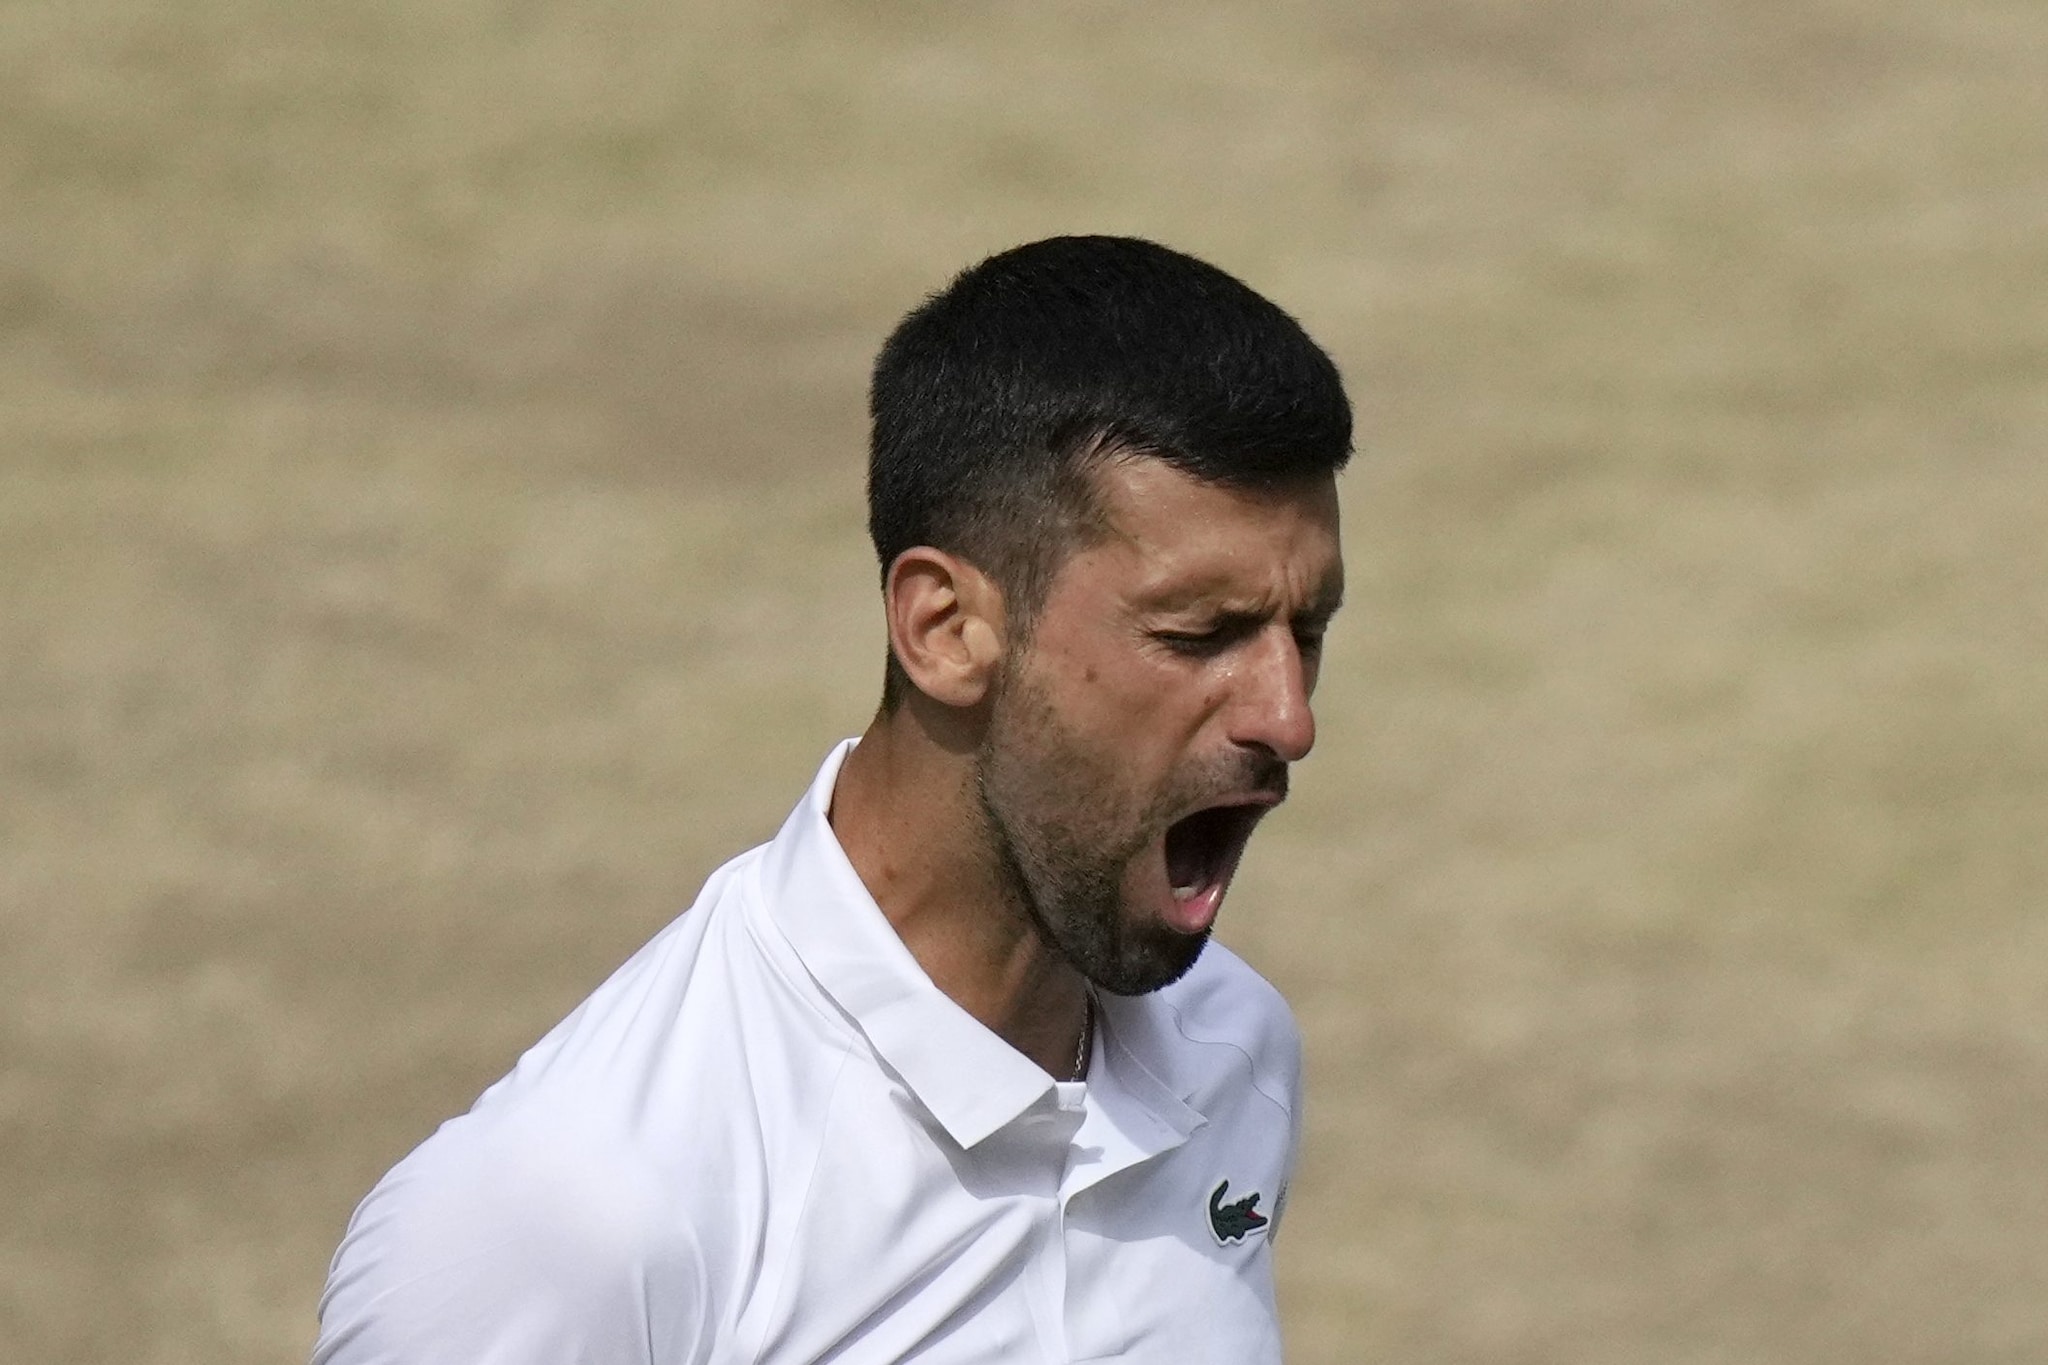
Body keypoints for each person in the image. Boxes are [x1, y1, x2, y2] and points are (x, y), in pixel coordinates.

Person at [312, 235, 1353, 1364]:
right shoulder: (569, 1221)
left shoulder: (1234, 1052)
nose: (1286, 718)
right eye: (1198, 635)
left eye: (1305, 632)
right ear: (945, 632)